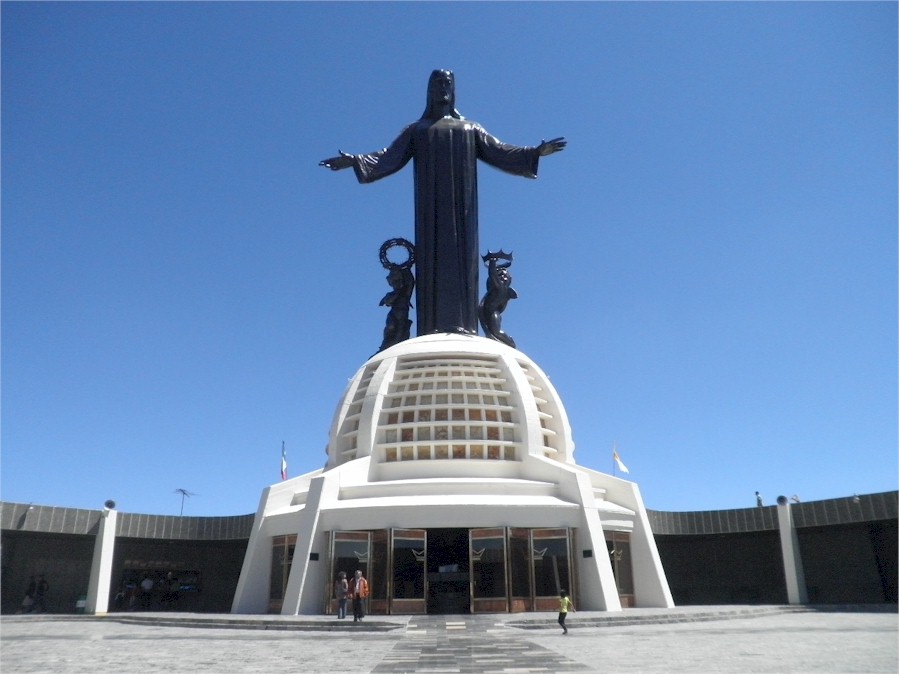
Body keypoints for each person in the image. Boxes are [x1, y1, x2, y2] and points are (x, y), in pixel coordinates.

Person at [321, 69, 565, 337]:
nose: (443, 87)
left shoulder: (470, 128)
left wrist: (534, 152)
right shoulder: (418, 130)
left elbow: (499, 151)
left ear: (454, 89)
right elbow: (388, 156)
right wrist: (355, 160)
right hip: (430, 212)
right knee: (433, 262)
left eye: (448, 83)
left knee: (463, 263)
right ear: (429, 90)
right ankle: (431, 330)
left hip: (464, 211)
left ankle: (466, 329)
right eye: (438, 83)